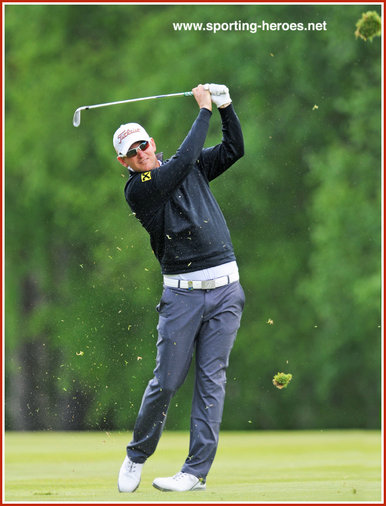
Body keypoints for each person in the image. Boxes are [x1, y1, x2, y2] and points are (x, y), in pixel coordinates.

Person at [113, 83, 245, 493]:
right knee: (167, 382)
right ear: (124, 161)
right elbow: (182, 160)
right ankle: (137, 455)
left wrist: (224, 107)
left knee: (211, 384)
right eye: (132, 153)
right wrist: (202, 111)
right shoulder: (140, 190)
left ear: (152, 142)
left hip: (226, 290)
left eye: (142, 145)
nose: (140, 154)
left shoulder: (190, 166)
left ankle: (195, 473)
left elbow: (233, 149)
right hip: (182, 295)